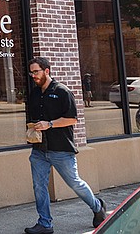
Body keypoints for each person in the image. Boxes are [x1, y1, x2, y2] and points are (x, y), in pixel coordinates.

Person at [25, 57, 105, 234]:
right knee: (39, 186)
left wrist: (50, 124)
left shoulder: (62, 92)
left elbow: (72, 119)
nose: (33, 75)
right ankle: (45, 224)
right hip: (39, 149)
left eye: (36, 71)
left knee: (75, 183)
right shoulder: (34, 93)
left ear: (46, 71)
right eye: (31, 72)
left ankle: (97, 206)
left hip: (61, 149)